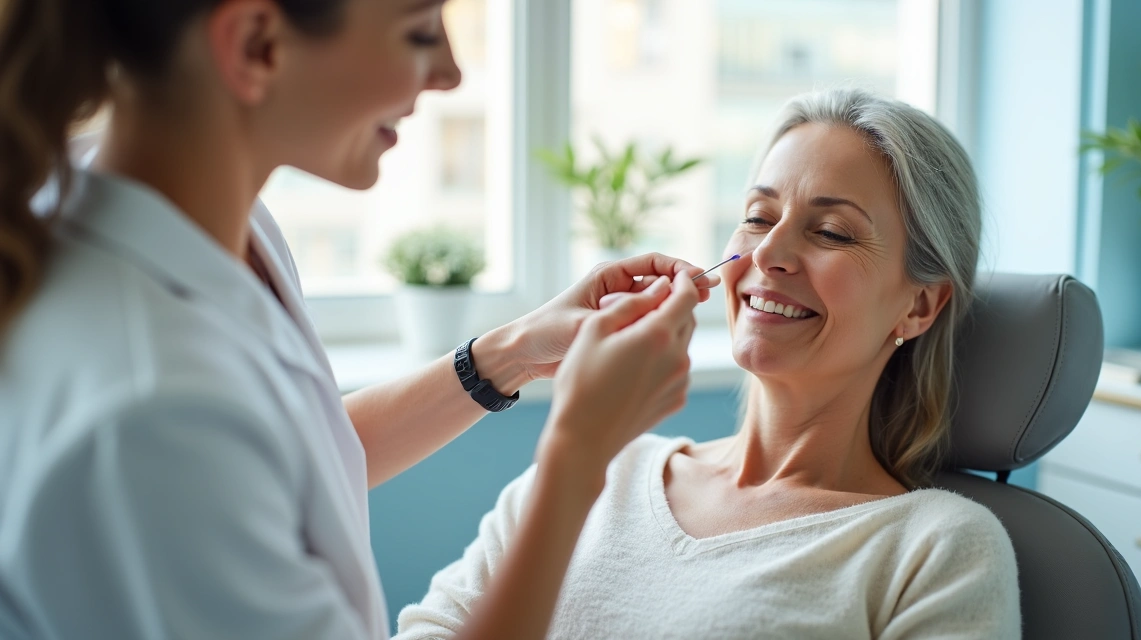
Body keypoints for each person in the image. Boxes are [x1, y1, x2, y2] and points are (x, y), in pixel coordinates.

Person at [0, 1, 720, 639]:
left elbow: (298, 460)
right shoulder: (147, 411)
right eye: (417, 32)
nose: (449, 74)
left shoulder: (224, 228)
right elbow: (210, 448)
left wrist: (508, 355)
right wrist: (579, 451)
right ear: (258, 45)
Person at [395, 89, 1022, 639]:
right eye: (757, 216)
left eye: (831, 232)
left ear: (918, 306)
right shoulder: (604, 470)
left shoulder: (936, 548)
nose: (768, 252)